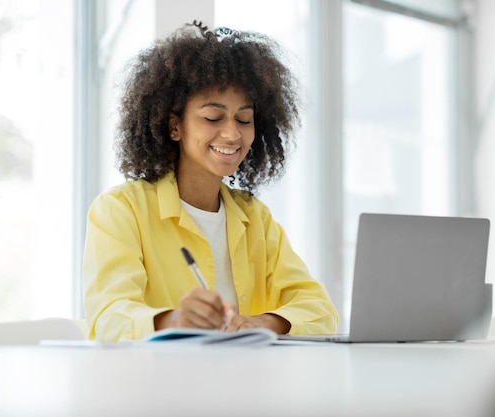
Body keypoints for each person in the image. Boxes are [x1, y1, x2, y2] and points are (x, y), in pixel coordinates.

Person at [82, 21, 338, 342]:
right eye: (213, 117)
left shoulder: (255, 217)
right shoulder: (120, 211)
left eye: (244, 119)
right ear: (174, 126)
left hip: (247, 384)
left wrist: (266, 323)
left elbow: (321, 309)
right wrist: (172, 319)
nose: (232, 133)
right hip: (155, 386)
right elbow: (107, 317)